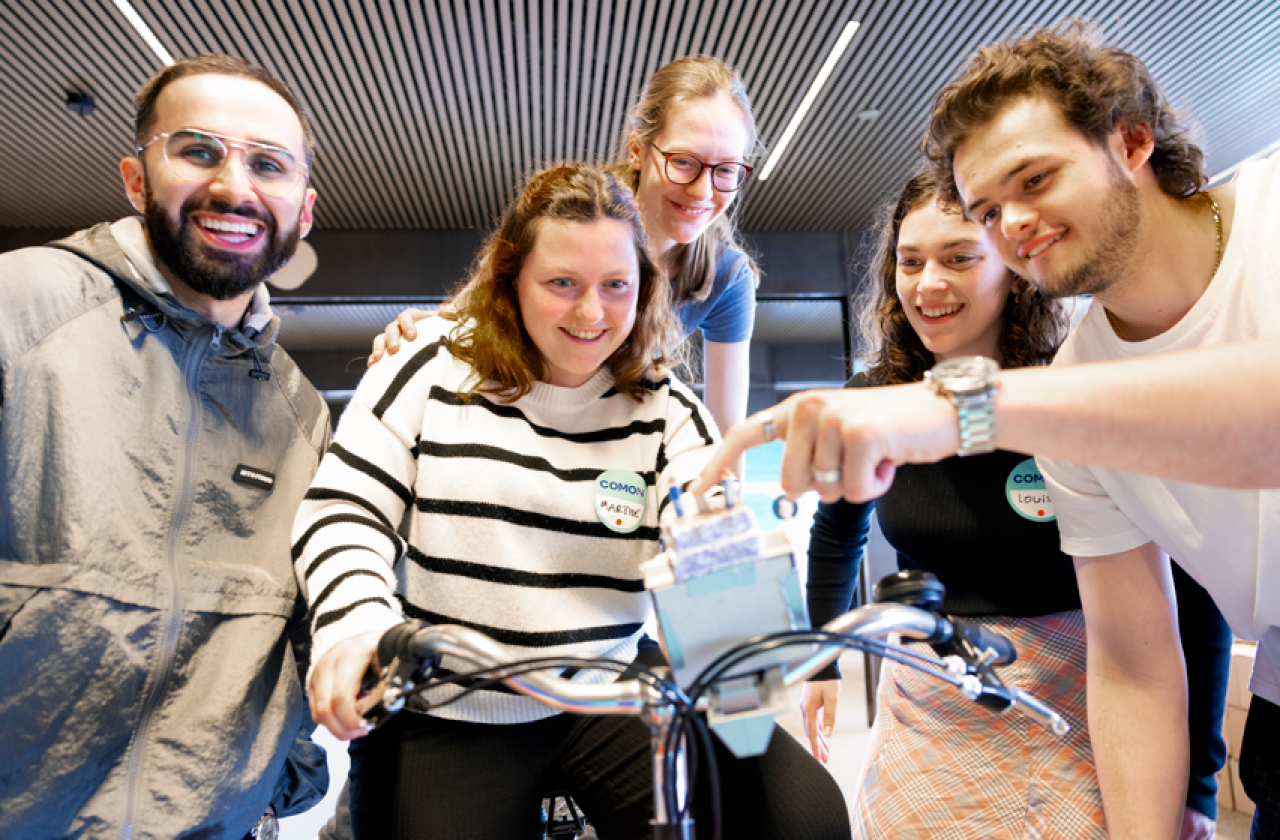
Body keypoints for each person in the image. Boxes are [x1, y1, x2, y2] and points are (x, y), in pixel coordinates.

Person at [693, 19, 1279, 840]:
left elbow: (1255, 428)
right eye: (990, 208)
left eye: (1034, 179)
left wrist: (963, 407)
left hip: (1057, 698)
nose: (1015, 223)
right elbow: (1137, 658)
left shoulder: (1268, 221)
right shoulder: (1080, 385)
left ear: (1133, 141)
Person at [295, 163, 850, 839]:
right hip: (451, 707)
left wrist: (735, 655)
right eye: (562, 284)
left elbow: (709, 532)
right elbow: (345, 509)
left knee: (801, 815)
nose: (592, 314)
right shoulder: (429, 367)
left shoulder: (666, 409)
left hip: (606, 690)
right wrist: (353, 626)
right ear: (511, 282)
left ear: (644, 287)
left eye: (616, 285)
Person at [800, 171, 1229, 838]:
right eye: (909, 262)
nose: (927, 283)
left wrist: (1197, 781)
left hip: (1084, 691)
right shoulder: (877, 398)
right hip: (932, 693)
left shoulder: (1079, 389)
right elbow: (835, 534)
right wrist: (824, 660)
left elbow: (1193, 588)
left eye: (959, 257)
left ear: (1013, 265)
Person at [0, 55, 330, 839]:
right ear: (136, 177)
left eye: (268, 165)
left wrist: (275, 782)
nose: (234, 187)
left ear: (304, 210)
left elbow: (304, 630)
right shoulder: (22, 308)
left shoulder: (301, 415)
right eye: (199, 151)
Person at [369, 55, 759, 442]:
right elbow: (466, 314)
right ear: (638, 150)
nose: (703, 192)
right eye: (684, 162)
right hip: (516, 416)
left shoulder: (726, 275)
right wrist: (417, 336)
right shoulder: (571, 213)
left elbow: (728, 437)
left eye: (726, 170)